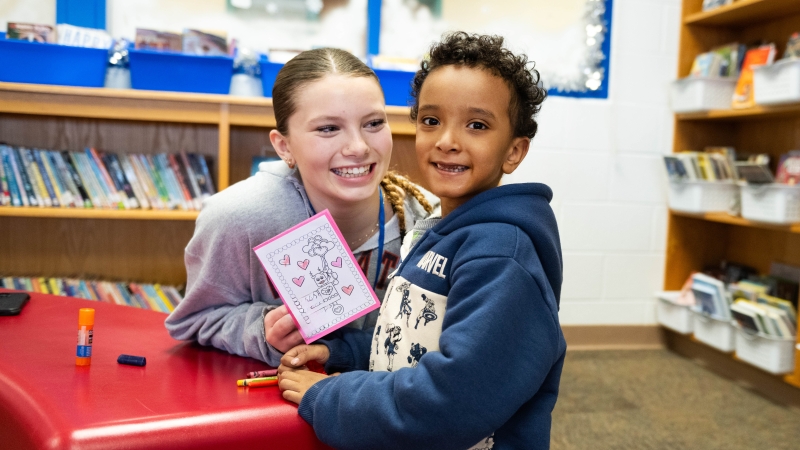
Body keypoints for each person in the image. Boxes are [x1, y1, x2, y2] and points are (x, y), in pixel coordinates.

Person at [277, 32, 565, 450]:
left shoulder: (501, 256)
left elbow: (451, 402)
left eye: (477, 125)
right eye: (431, 121)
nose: (447, 140)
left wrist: (330, 397)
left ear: (514, 151)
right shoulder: (435, 228)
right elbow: (414, 333)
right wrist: (344, 353)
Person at [164, 48, 436, 367]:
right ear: (284, 145)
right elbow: (196, 319)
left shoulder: (428, 217)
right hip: (278, 406)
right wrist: (260, 330)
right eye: (328, 129)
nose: (359, 147)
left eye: (374, 123)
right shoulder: (239, 217)